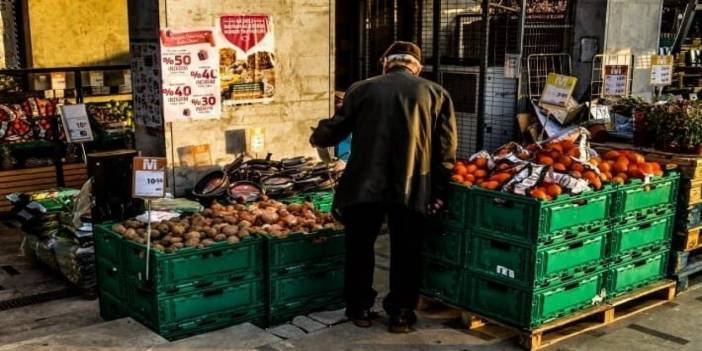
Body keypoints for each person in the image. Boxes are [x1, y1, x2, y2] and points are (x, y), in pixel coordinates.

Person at [309, 41, 457, 333]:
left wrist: (318, 135)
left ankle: (360, 308)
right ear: (418, 67)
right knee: (407, 250)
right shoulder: (436, 94)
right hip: (411, 186)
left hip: (364, 185)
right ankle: (401, 314)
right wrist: (440, 190)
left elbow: (335, 130)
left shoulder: (362, 89)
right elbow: (446, 150)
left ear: (385, 62)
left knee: (360, 248)